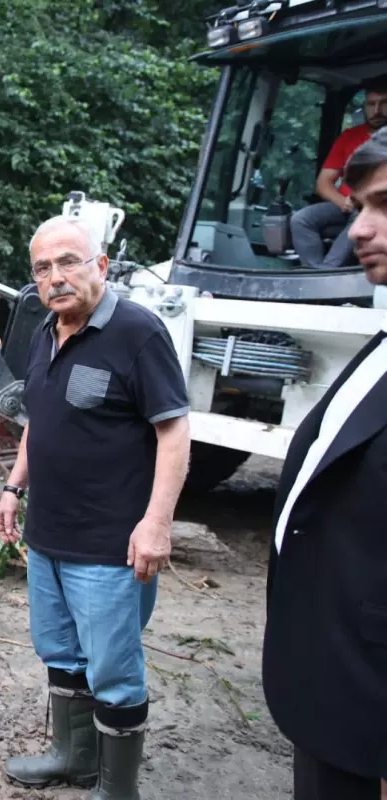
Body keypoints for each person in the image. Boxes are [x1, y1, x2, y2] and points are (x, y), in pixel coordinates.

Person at [0, 215, 191, 799]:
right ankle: (72, 757)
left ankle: (117, 788)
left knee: (113, 670)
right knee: (58, 650)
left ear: (100, 266)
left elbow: (175, 433)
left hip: (110, 545)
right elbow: (40, 420)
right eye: (42, 268)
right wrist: (13, 487)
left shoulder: (138, 333)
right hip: (48, 535)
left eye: (68, 262)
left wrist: (156, 523)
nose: (55, 278)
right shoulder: (45, 331)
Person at [263, 126, 387, 800]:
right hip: (333, 699)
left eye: (385, 205)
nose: (361, 229)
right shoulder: (380, 345)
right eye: (361, 205)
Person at [290, 79, 387, 269]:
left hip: (378, 207)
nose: (377, 110)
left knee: (361, 216)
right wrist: (344, 203)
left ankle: (323, 275)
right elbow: (324, 183)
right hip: (346, 205)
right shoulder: (349, 136)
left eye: (384, 103)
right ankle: (314, 271)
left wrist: (362, 202)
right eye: (371, 104)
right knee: (301, 219)